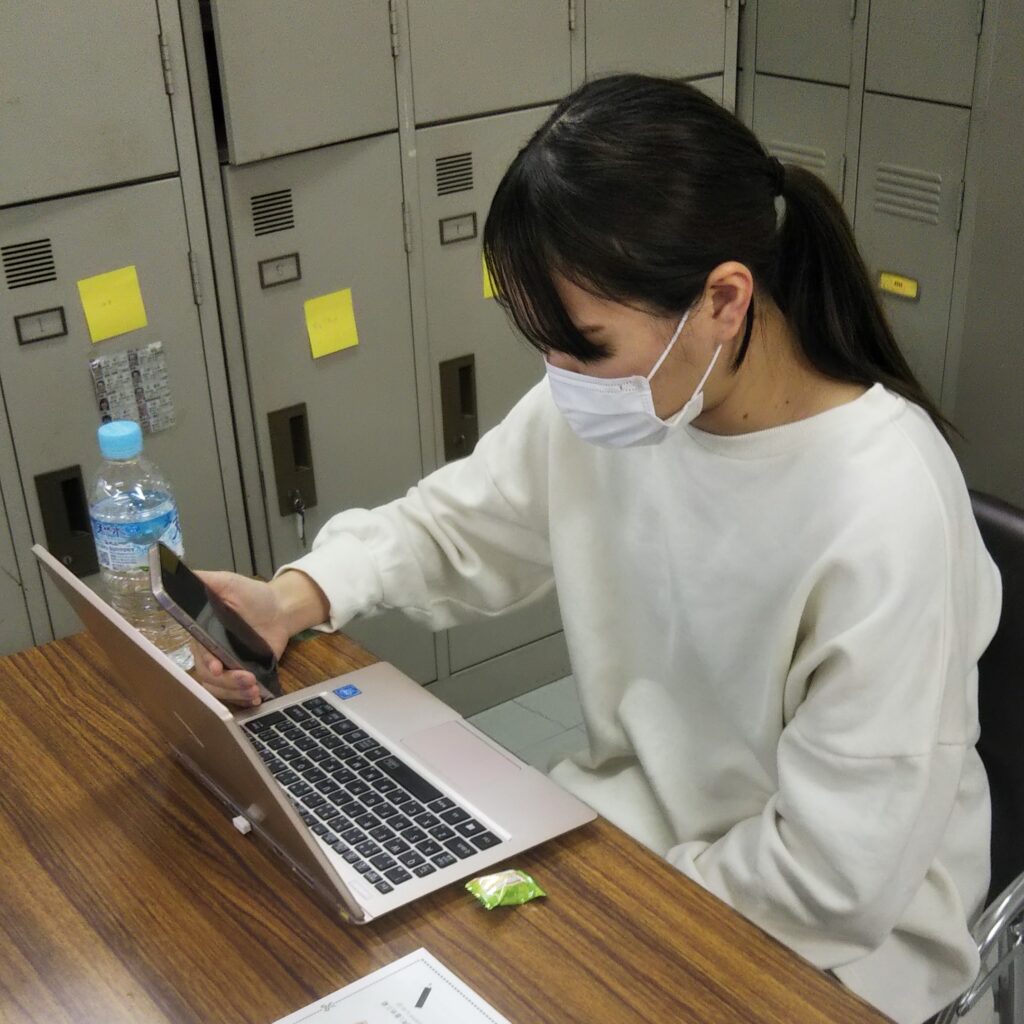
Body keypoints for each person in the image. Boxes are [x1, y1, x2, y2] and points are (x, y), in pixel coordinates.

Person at [194, 75, 1000, 1024]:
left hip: (827, 959)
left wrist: (599, 924)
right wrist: (294, 596)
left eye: (585, 345)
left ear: (724, 300)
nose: (562, 378)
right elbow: (460, 524)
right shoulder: (635, 397)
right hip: (627, 858)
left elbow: (835, 883)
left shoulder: (885, 505)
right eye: (545, 345)